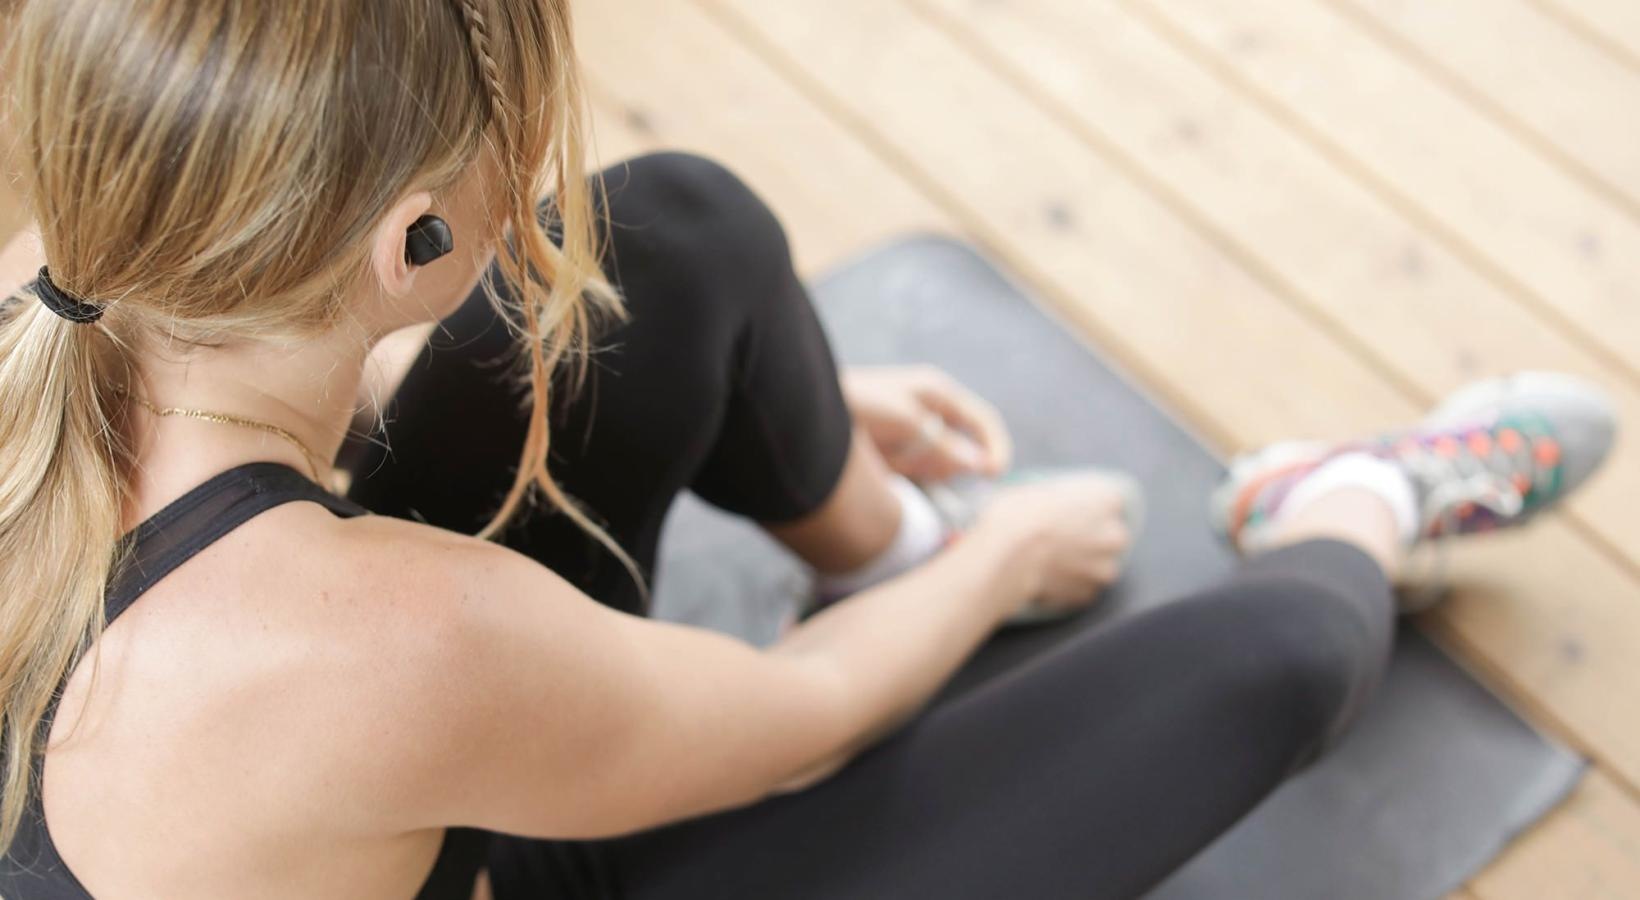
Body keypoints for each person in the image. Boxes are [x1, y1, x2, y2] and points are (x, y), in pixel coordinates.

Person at [0, 2, 1614, 898]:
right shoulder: (373, 640)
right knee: (1269, 659)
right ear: (412, 237)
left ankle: (875, 533)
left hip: (378, 814)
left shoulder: (62, 292)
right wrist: (1004, 559)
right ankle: (1357, 500)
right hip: (468, 819)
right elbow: (802, 722)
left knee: (669, 237)